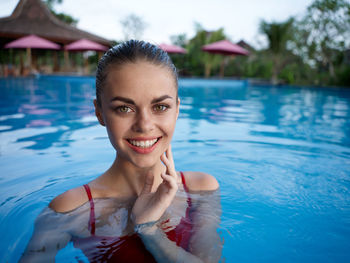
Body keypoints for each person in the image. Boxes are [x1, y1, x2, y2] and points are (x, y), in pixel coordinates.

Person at [20, 40, 223, 262]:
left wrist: (149, 229)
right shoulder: (71, 211)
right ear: (99, 113)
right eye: (124, 108)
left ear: (177, 110)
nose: (144, 125)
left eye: (160, 107)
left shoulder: (201, 191)